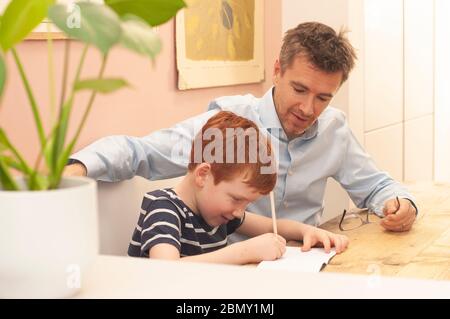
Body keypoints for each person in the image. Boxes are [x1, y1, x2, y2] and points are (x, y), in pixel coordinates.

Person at [65, 22, 417, 234]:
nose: (309, 109)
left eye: (324, 97)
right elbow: (140, 152)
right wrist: (73, 169)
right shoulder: (230, 124)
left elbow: (378, 187)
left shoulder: (335, 129)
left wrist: (401, 204)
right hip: (233, 271)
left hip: (308, 263)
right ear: (277, 70)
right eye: (299, 89)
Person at [127, 111, 349, 263]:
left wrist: (307, 231)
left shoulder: (220, 212)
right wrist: (244, 252)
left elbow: (273, 226)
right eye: (236, 199)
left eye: (247, 203)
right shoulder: (163, 209)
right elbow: (164, 273)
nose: (239, 212)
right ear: (204, 175)